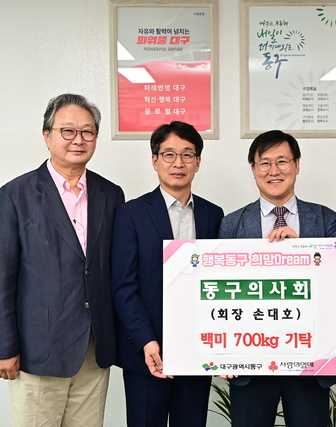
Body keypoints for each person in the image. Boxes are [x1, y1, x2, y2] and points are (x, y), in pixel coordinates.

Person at [0, 93, 125, 426]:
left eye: (88, 132)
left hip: (93, 350)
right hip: (38, 350)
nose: (79, 140)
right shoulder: (15, 195)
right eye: (68, 131)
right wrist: (3, 347)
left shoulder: (111, 194)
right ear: (47, 136)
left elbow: (113, 269)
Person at [218, 130, 336, 427]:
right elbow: (220, 290)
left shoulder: (326, 219)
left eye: (282, 161)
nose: (274, 171)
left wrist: (303, 252)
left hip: (309, 357)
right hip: (249, 360)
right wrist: (221, 352)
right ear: (253, 169)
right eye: (264, 163)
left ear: (297, 165)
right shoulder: (231, 224)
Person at [111, 121, 224, 427]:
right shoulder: (131, 214)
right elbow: (123, 287)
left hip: (197, 351)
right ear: (155, 160)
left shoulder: (213, 215)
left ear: (198, 162)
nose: (178, 163)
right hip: (147, 352)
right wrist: (147, 341)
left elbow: (221, 282)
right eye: (169, 154)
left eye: (187, 154)